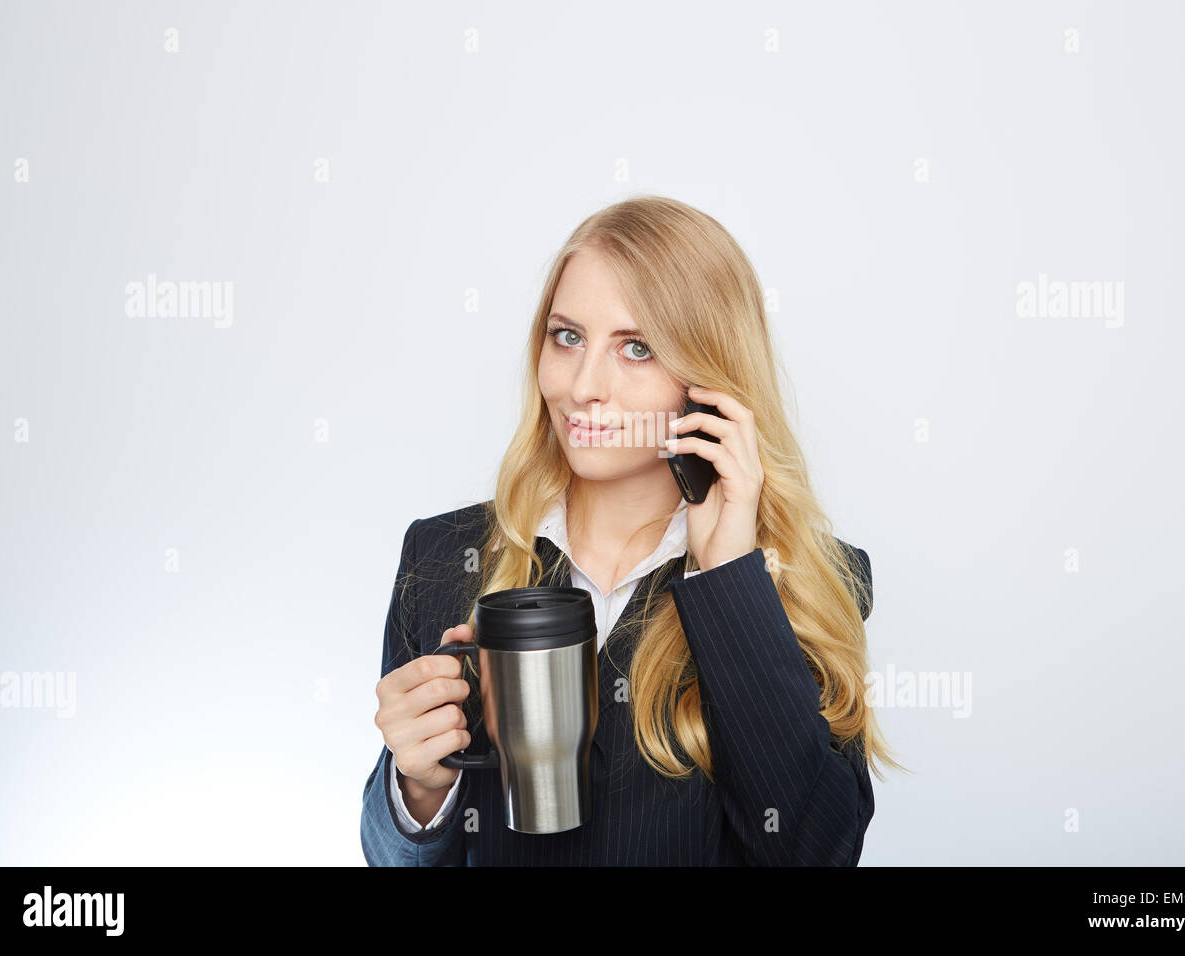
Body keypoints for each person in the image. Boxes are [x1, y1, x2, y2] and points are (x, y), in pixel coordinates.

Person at [361, 195, 902, 866]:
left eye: (637, 349)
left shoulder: (806, 580)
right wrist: (417, 789)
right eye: (567, 337)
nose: (585, 386)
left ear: (707, 383)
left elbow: (814, 851)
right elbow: (392, 857)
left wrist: (729, 576)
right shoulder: (445, 558)